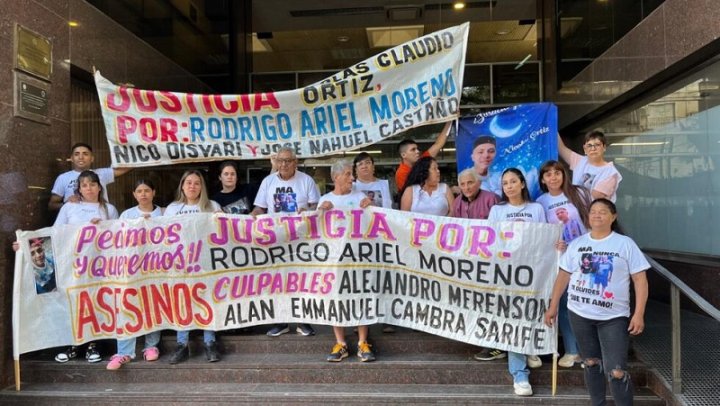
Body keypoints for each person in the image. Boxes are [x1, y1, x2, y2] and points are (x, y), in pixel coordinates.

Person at [545, 198, 649, 406]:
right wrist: (553, 306)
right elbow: (563, 276)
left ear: (613, 217)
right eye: (593, 211)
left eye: (603, 211)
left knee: (617, 370)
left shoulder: (625, 244)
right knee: (591, 363)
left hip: (614, 317)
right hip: (580, 314)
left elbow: (640, 279)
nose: (597, 215)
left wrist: (638, 314)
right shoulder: (577, 244)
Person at [484, 168, 547, 396]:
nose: (509, 186)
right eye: (505, 183)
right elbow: (490, 242)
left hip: (535, 271)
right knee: (514, 319)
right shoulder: (497, 210)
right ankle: (520, 375)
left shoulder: (537, 208)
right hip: (508, 273)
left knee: (532, 313)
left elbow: (546, 237)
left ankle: (529, 346)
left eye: (513, 181)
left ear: (522, 184)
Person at [251, 147, 320, 337]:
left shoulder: (306, 181)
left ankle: (303, 321)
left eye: (288, 161)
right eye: (281, 161)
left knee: (301, 280)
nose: (284, 164)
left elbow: (317, 207)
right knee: (277, 281)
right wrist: (250, 218)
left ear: (295, 162)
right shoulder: (268, 181)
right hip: (276, 240)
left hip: (301, 240)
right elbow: (260, 208)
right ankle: (280, 322)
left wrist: (307, 209)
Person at [54, 170, 119, 363]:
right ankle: (74, 344)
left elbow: (118, 238)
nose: (88, 188)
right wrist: (27, 245)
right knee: (75, 302)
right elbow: (56, 233)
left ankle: (93, 345)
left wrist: (102, 228)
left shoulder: (109, 210)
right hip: (74, 265)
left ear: (100, 187)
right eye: (84, 185)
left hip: (100, 266)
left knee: (96, 303)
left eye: (92, 184)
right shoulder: (69, 208)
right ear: (79, 189)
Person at [317, 160, 376, 362]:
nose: (352, 178)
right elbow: (313, 230)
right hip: (334, 261)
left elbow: (376, 222)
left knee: (361, 294)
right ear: (336, 177)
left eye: (352, 174)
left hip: (358, 259)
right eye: (348, 174)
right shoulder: (324, 200)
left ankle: (362, 342)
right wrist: (320, 212)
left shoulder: (360, 197)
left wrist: (371, 207)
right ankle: (341, 343)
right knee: (336, 297)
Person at [536, 160, 592, 368]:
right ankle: (572, 350)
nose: (553, 177)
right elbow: (541, 233)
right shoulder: (540, 202)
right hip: (560, 260)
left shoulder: (580, 193)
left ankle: (589, 352)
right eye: (548, 174)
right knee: (564, 304)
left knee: (585, 303)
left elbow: (592, 221)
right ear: (542, 179)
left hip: (585, 256)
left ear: (563, 174)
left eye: (557, 172)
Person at [165, 170, 222, 364]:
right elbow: (163, 236)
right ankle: (182, 344)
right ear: (182, 185)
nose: (192, 186)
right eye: (188, 182)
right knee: (183, 303)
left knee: (208, 301)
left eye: (197, 183)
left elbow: (222, 233)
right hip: (181, 264)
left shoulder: (212, 206)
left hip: (206, 262)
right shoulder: (173, 209)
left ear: (202, 187)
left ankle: (210, 342)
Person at [107, 179, 163, 370]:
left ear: (154, 192)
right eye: (139, 191)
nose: (143, 194)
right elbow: (117, 239)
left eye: (147, 190)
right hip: (131, 268)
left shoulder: (163, 213)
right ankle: (124, 352)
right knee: (126, 306)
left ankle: (151, 346)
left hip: (157, 267)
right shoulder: (127, 215)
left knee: (153, 305)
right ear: (134, 194)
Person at [49, 143, 130, 211]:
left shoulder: (102, 173)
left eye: (85, 154)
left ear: (92, 158)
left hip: (100, 220)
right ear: (72, 158)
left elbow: (125, 169)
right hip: (74, 224)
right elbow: (51, 205)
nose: (81, 157)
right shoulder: (63, 178)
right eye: (77, 154)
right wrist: (66, 204)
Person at [558, 131, 622, 202]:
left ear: (604, 147)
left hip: (595, 212)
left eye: (597, 145)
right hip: (577, 209)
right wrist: (549, 124)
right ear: (585, 149)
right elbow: (561, 148)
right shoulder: (580, 161)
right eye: (589, 145)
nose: (593, 148)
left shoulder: (610, 173)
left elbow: (592, 197)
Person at [395, 121, 452, 193]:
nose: (417, 151)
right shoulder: (401, 173)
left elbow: (438, 144)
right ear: (403, 155)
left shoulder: (422, 160)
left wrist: (449, 122)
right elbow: (414, 193)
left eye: (417, 149)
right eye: (413, 150)